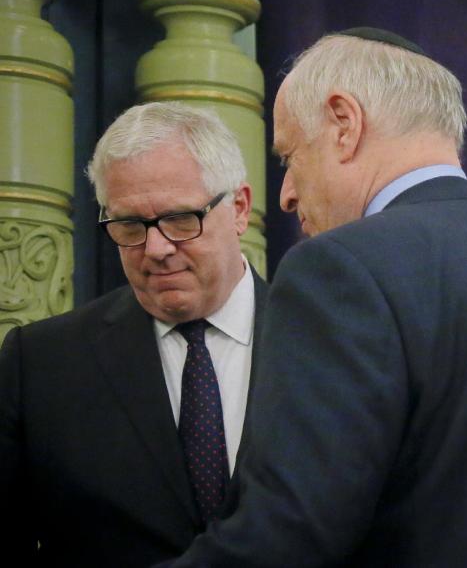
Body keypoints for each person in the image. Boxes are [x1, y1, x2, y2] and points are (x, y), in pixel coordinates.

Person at [171, 27, 467, 567]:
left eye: (290, 155)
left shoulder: (340, 269)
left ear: (343, 124)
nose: (286, 193)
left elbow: (284, 537)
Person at [0, 102, 267, 565]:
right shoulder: (41, 363)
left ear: (239, 208)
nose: (157, 249)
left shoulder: (328, 341)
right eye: (129, 226)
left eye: (182, 219)